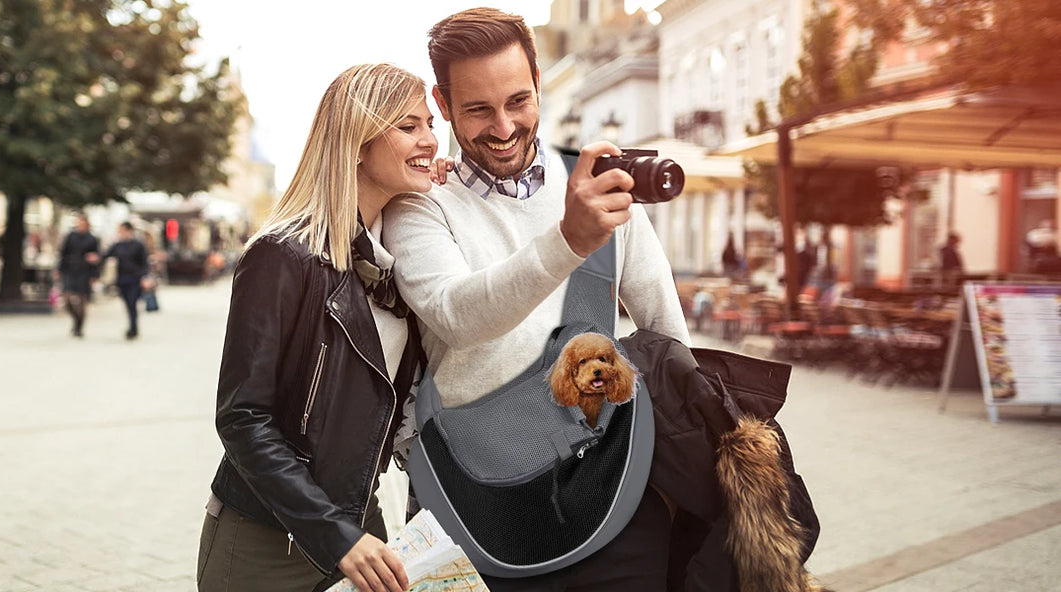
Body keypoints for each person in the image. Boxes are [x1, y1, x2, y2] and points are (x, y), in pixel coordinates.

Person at [382, 8, 690, 590]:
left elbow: (668, 334)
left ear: (540, 83)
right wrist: (569, 240)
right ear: (443, 106)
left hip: (618, 493)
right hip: (473, 505)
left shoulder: (599, 187)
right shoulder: (421, 205)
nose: (502, 127)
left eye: (518, 101)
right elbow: (458, 314)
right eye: (477, 109)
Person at [198, 63, 436, 592]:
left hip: (360, 530)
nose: (430, 140)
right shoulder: (280, 256)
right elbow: (242, 418)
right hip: (264, 540)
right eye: (409, 126)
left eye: (430, 123)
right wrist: (335, 535)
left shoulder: (395, 265)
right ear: (356, 141)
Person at [99, 222, 150, 340]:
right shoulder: (117, 245)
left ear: (128, 230)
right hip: (122, 279)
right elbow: (105, 256)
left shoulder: (138, 245)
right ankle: (133, 326)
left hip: (135, 279)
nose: (120, 232)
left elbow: (144, 263)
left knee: (132, 303)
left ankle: (133, 328)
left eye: (121, 230)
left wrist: (145, 277)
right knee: (127, 303)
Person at [57, 215, 101, 337]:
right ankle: (76, 320)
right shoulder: (71, 236)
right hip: (70, 270)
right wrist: (59, 269)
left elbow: (97, 258)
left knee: (82, 300)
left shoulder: (92, 239)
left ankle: (79, 327)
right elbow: (63, 253)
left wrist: (94, 275)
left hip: (84, 272)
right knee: (66, 299)